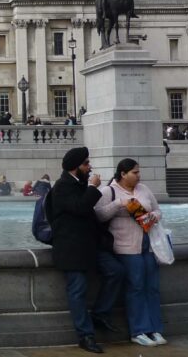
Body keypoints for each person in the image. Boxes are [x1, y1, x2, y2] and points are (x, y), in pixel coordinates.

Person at [46, 147, 125, 354]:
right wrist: (93, 187)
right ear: (76, 167)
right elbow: (80, 208)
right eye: (86, 164)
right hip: (71, 249)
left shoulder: (78, 183)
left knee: (116, 271)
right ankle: (85, 335)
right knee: (77, 290)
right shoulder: (62, 186)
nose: (90, 167)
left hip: (89, 246)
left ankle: (100, 313)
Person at [93, 158, 166, 347]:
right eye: (134, 172)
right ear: (123, 174)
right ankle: (139, 330)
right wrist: (119, 204)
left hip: (148, 245)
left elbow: (159, 211)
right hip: (125, 247)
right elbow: (99, 215)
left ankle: (155, 328)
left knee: (152, 287)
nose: (138, 175)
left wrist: (152, 216)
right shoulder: (109, 191)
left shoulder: (144, 189)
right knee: (136, 287)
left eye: (138, 172)